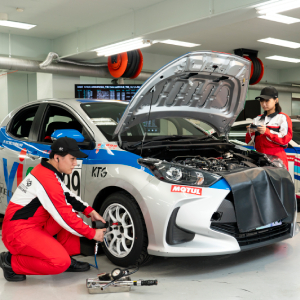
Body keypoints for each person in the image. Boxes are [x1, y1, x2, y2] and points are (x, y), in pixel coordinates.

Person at [0, 137, 106, 281]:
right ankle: (10, 262)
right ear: (57, 158)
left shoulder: (48, 171)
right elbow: (64, 216)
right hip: (18, 232)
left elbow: (67, 196)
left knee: (71, 212)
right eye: (72, 159)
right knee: (59, 262)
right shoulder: (46, 179)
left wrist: (90, 211)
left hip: (33, 225)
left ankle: (65, 255)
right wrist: (92, 233)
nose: (75, 163)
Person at [245, 86, 292, 170]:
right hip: (259, 157)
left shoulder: (283, 118)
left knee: (277, 182)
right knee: (260, 183)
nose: (264, 104)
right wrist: (250, 131)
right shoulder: (257, 119)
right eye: (261, 101)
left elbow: (285, 139)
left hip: (277, 158)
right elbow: (248, 142)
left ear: (276, 100)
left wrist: (267, 132)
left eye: (267, 100)